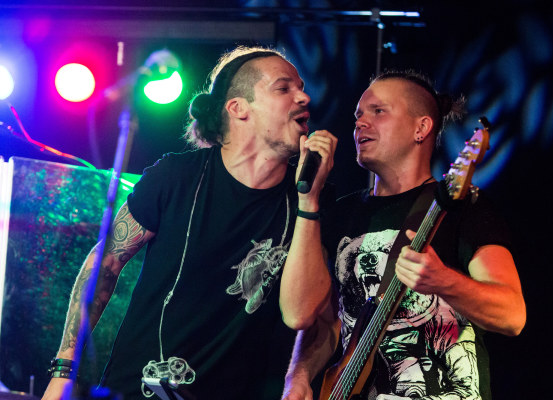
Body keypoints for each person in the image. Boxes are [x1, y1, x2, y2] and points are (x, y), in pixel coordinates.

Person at [41, 45, 337, 400]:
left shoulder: (310, 201)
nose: (304, 97)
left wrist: (309, 201)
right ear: (238, 108)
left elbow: (302, 315)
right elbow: (105, 265)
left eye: (301, 87)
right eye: (284, 88)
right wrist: (64, 371)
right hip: (138, 389)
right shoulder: (176, 177)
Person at [279, 70, 526, 400]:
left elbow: (512, 315)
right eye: (358, 115)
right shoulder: (341, 215)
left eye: (378, 111)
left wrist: (443, 282)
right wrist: (298, 376)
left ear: (421, 128)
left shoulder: (465, 209)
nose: (360, 123)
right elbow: (320, 322)